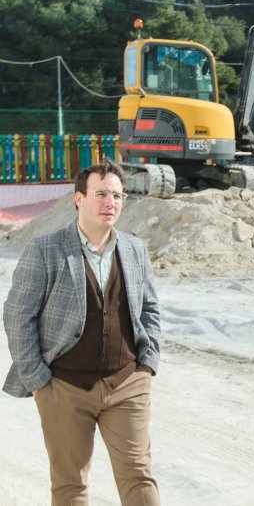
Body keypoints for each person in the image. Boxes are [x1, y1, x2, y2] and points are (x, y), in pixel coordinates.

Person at [3, 160, 162, 505]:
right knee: (70, 483)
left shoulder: (135, 249)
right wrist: (38, 380)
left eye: (117, 196)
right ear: (79, 199)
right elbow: (17, 315)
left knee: (138, 475)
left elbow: (149, 309)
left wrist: (147, 365)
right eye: (101, 194)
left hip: (127, 384)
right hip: (64, 387)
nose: (111, 203)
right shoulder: (45, 249)